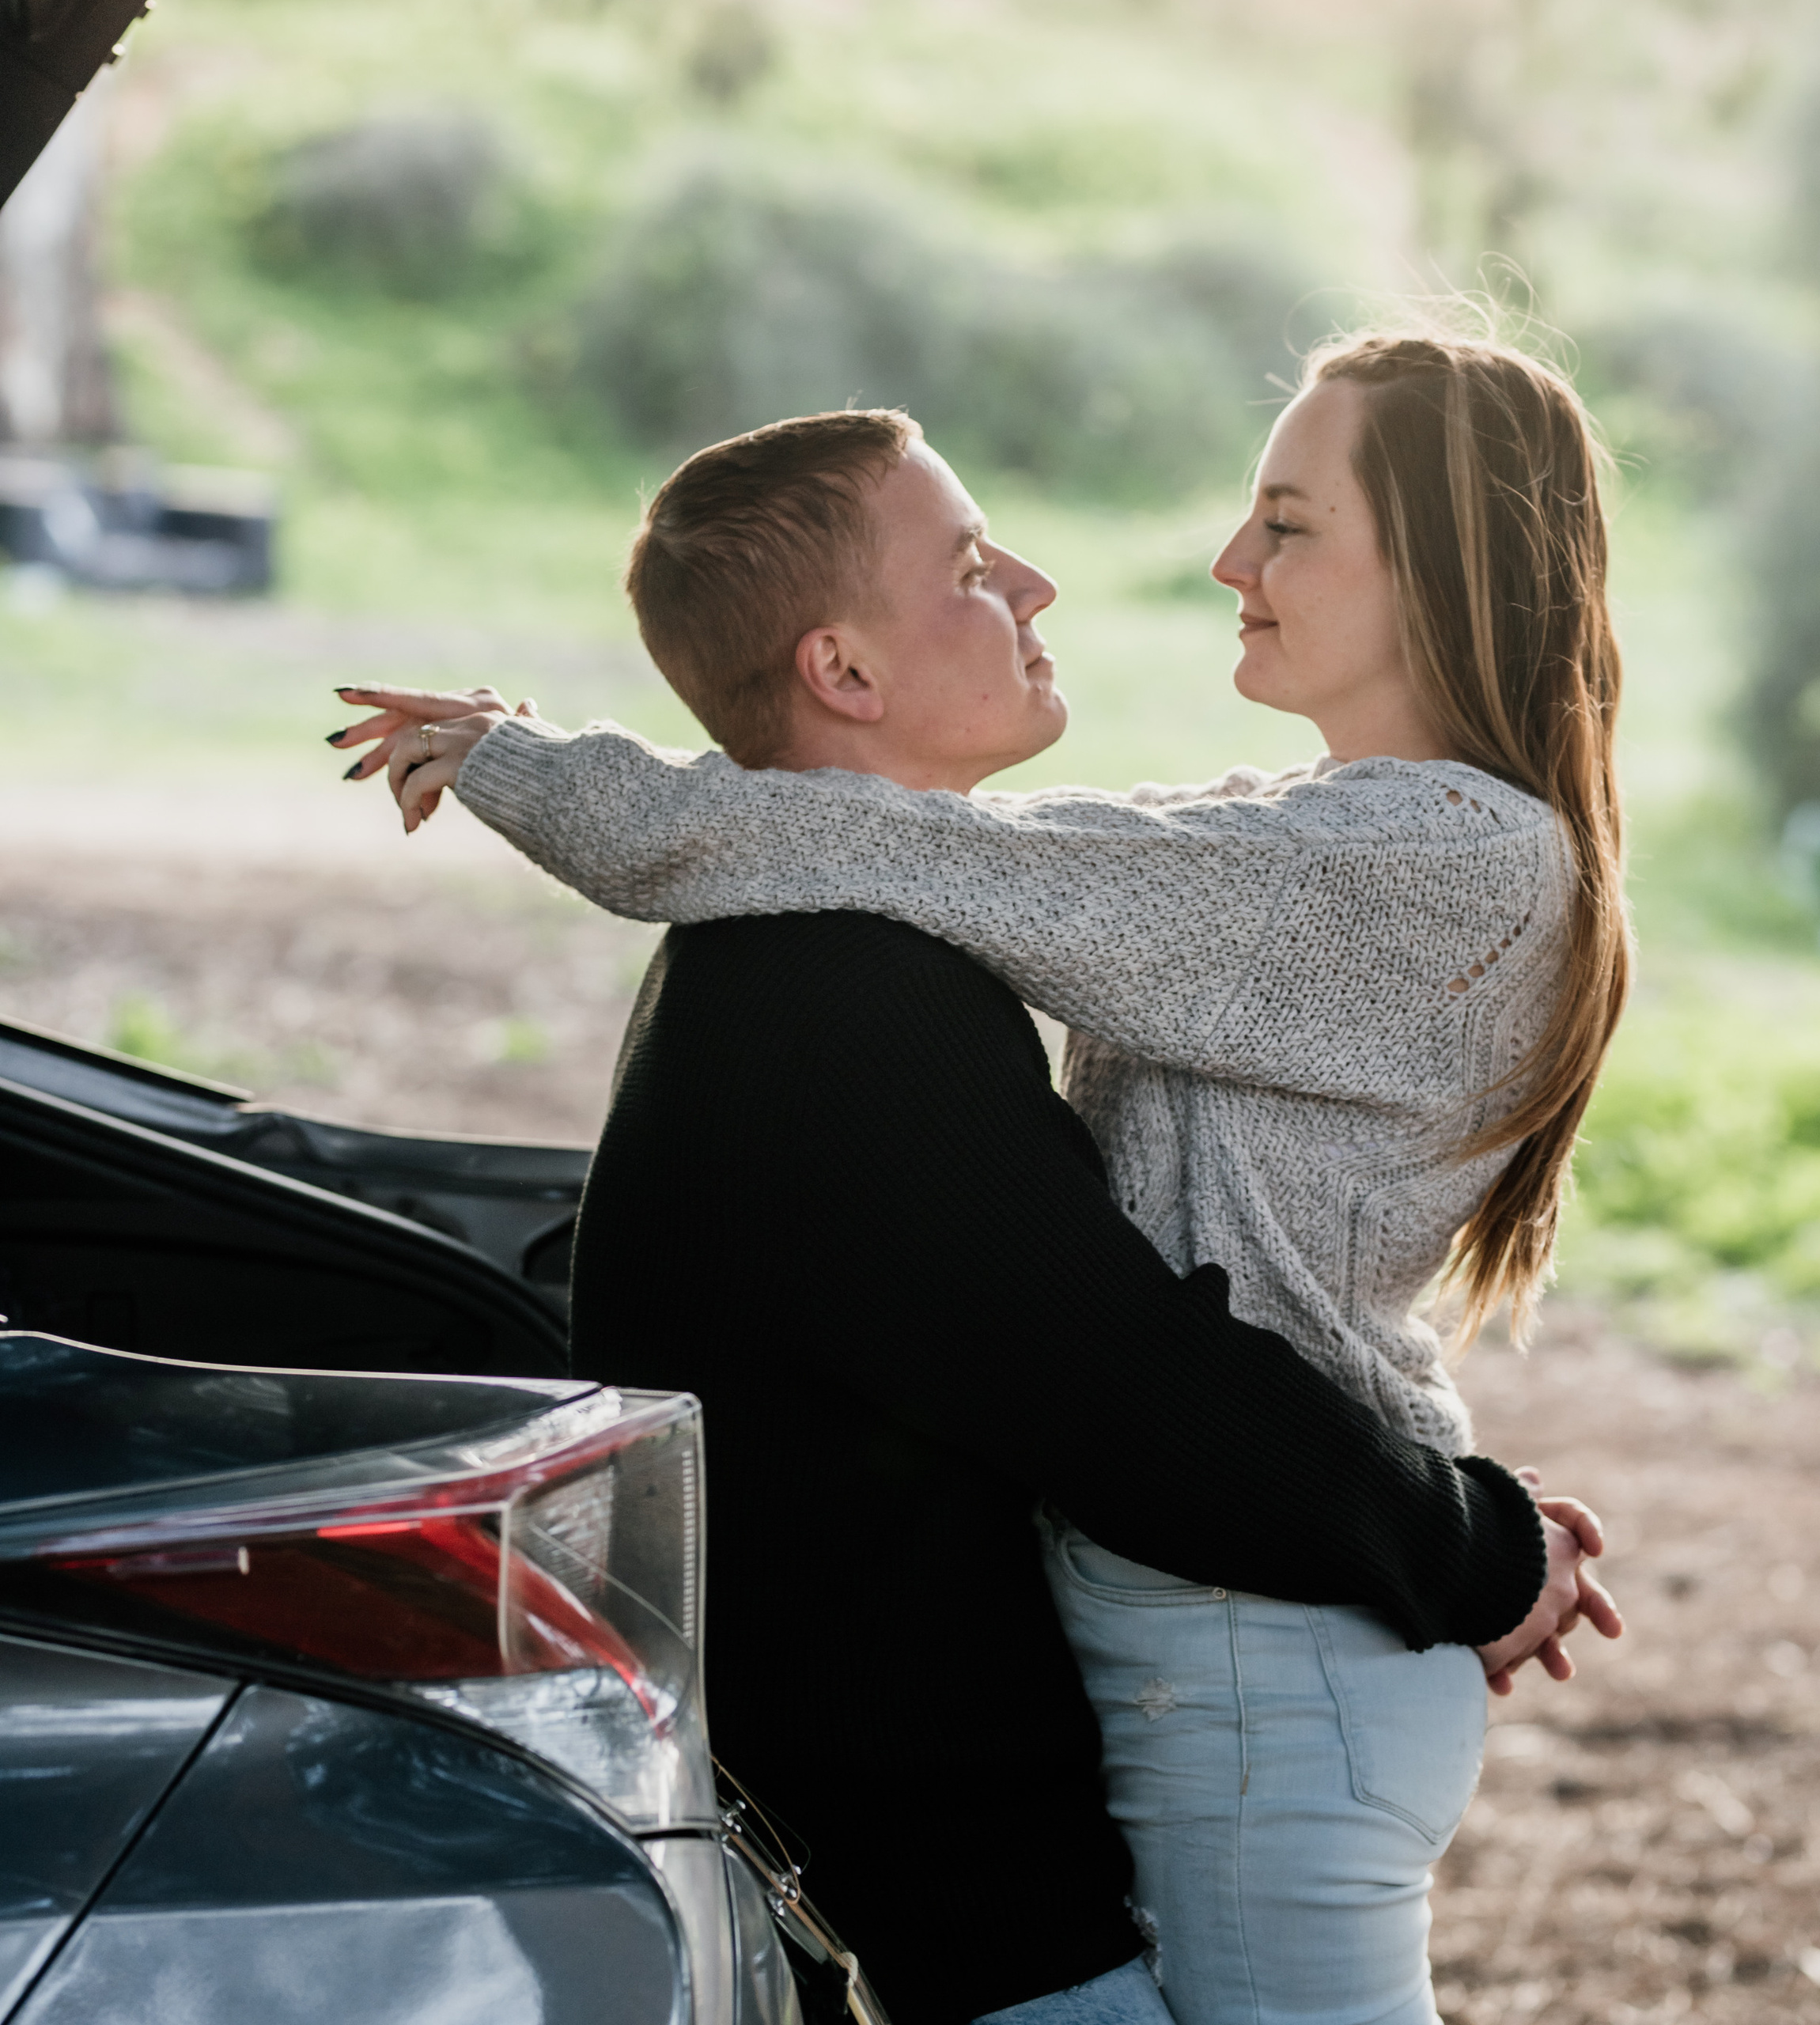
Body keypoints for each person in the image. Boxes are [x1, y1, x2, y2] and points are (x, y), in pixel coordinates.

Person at [332, 342, 1624, 2024]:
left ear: (1443, 567)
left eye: (1284, 523)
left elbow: (1117, 1358)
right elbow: (1096, 1363)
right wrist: (1462, 1541)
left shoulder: (1407, 864)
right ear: (844, 663)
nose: (1225, 561)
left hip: (1266, 1639)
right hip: (1215, 1639)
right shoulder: (869, 971)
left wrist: (1460, 1542)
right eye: (967, 561)